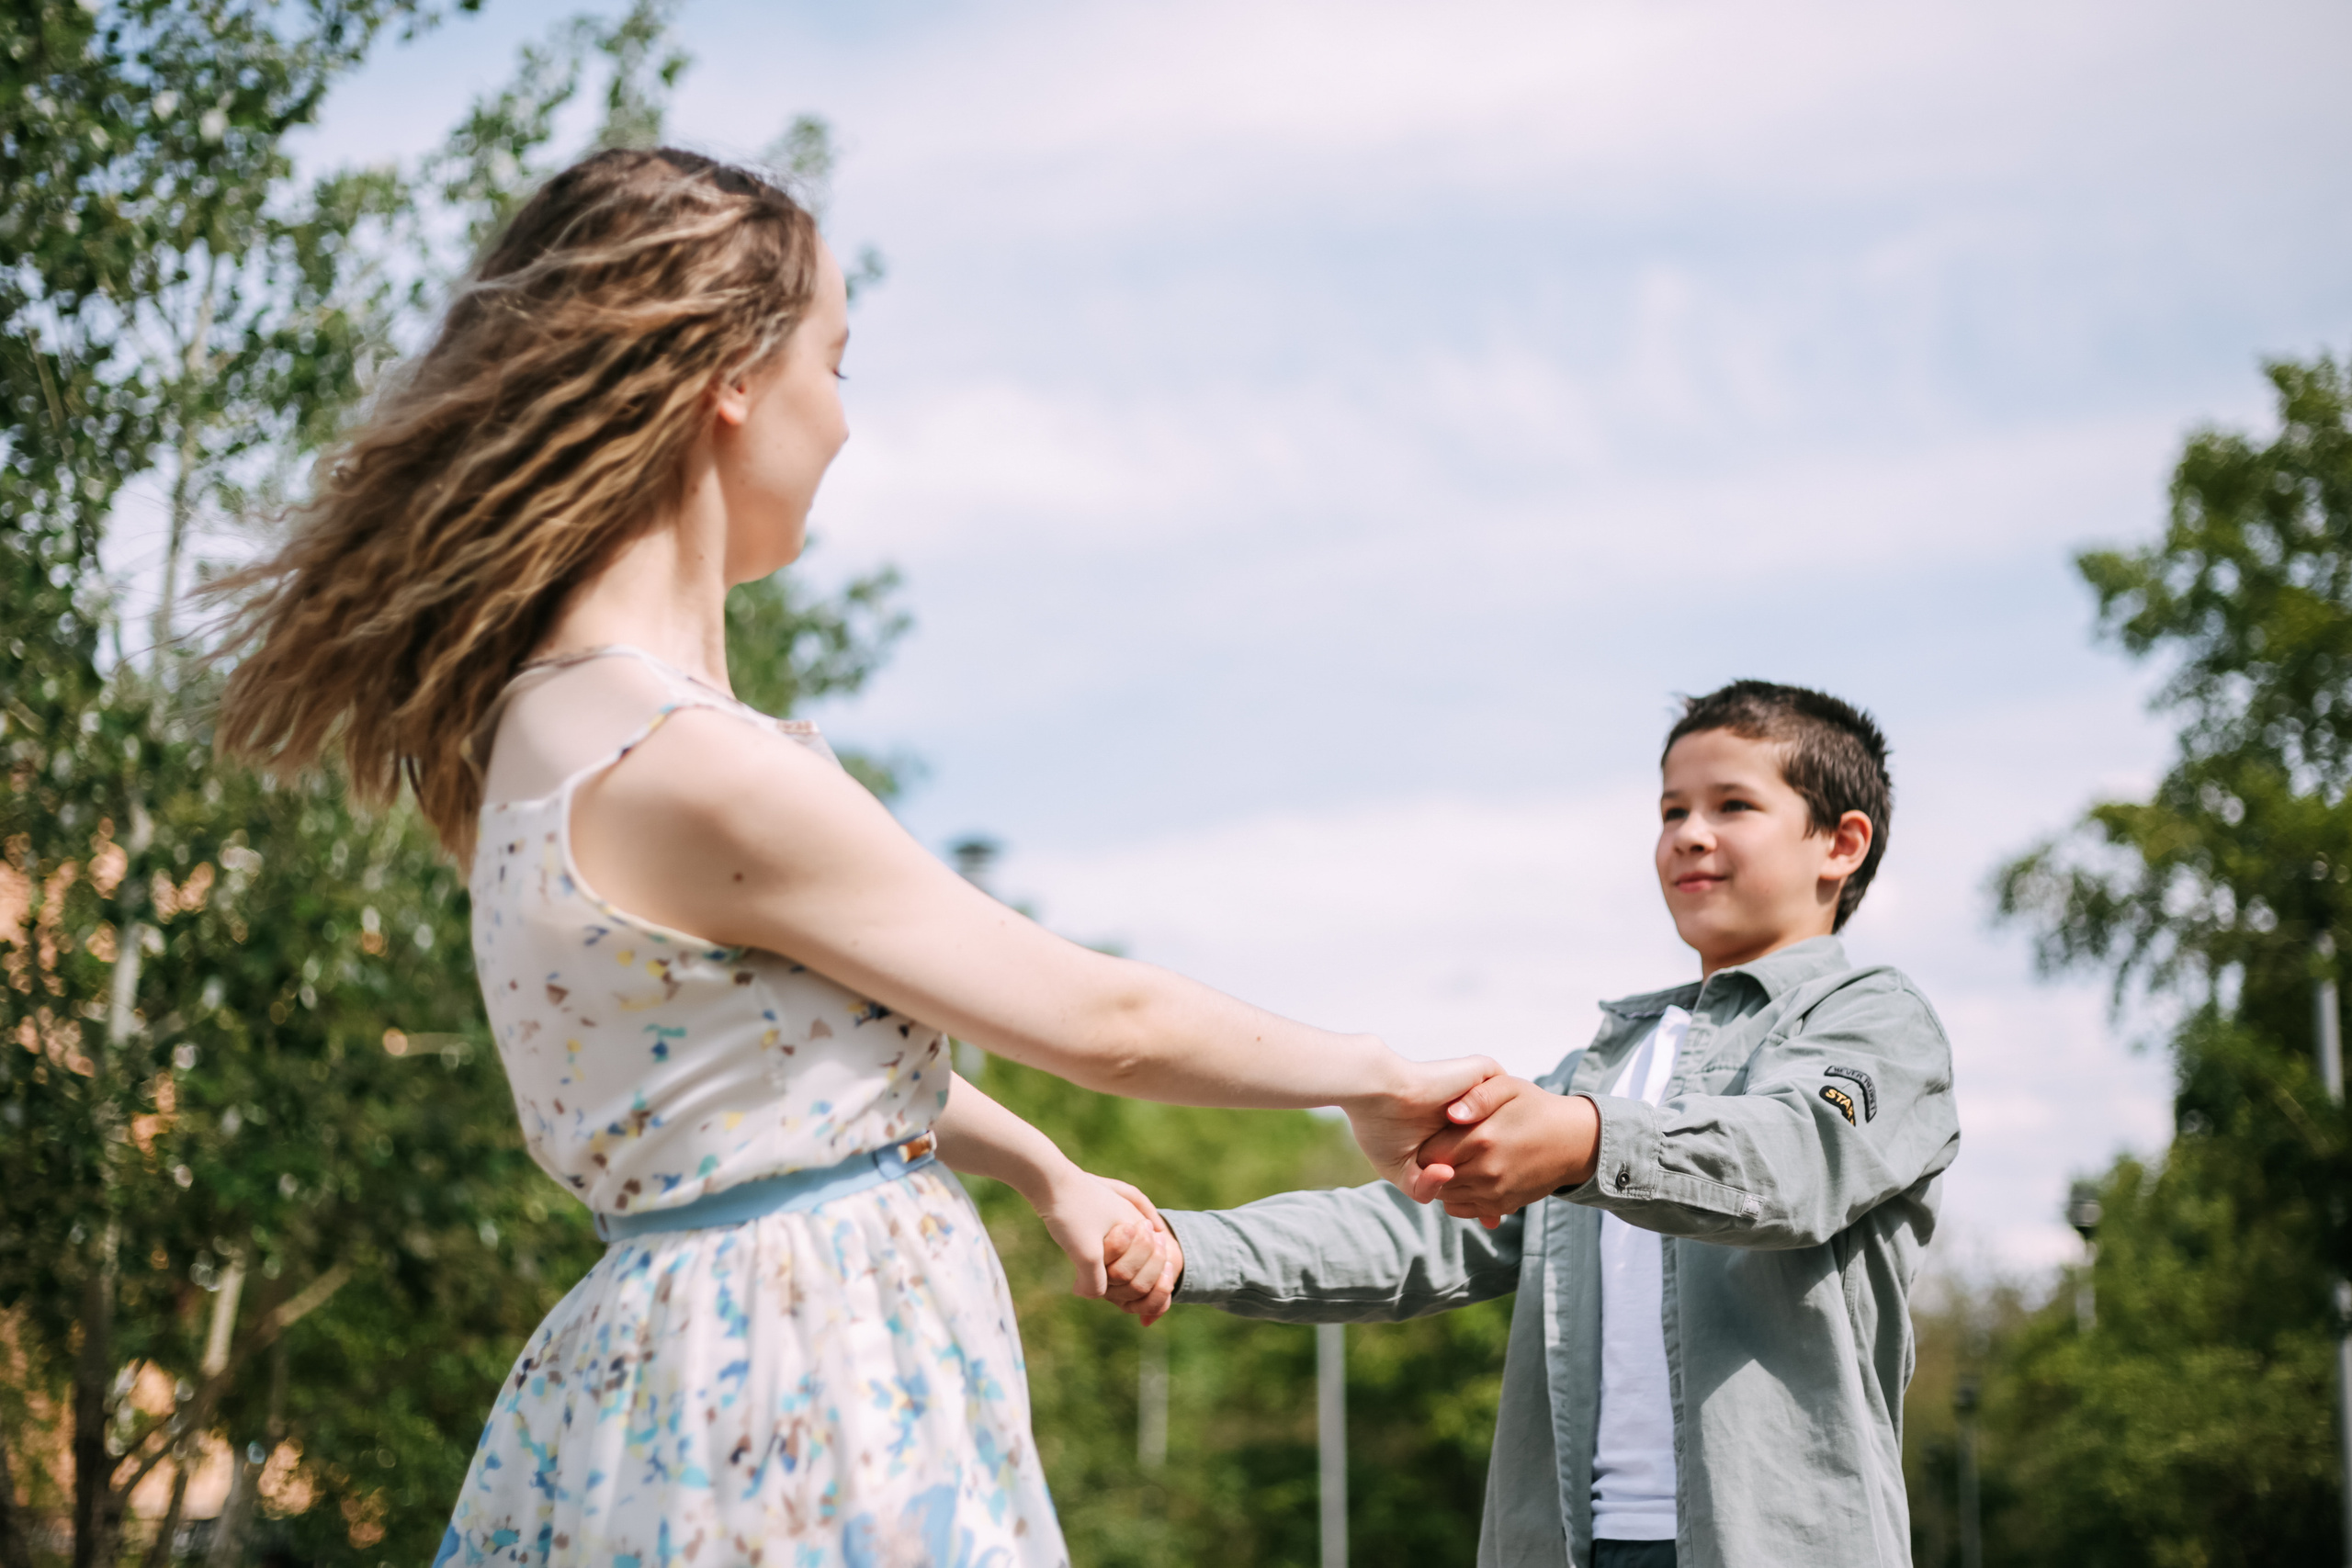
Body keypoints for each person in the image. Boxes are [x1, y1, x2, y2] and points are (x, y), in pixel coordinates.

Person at [212, 147, 1495, 1568]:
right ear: (731, 377)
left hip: (668, 1362)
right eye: (834, 360)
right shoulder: (691, 764)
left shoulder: (542, 725)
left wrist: (1044, 1168)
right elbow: (1104, 1018)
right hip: (802, 1372)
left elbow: (778, 1066)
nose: (841, 419)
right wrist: (1373, 1074)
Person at [1107, 682, 1962, 1568]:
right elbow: (1423, 1220)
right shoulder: (1601, 1069)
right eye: (1672, 810)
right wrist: (1183, 1245)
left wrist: (1587, 1143)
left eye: (1733, 805)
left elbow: (1790, 1159)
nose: (1689, 833)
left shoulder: (1875, 1022)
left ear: (1842, 843)